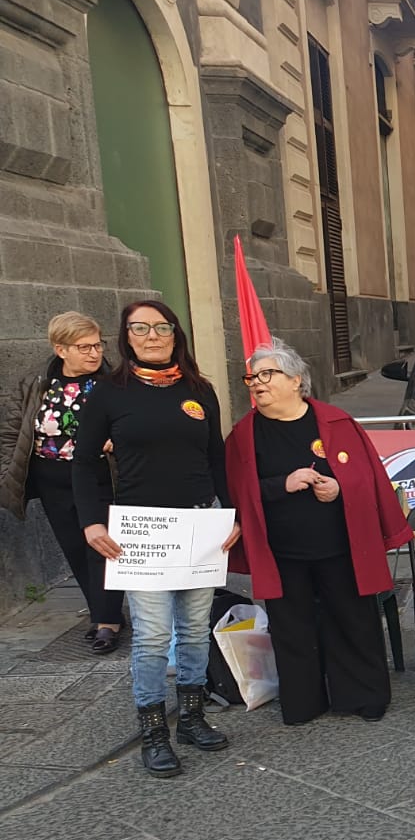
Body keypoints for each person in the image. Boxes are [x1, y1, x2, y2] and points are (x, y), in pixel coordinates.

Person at [73, 301, 238, 777]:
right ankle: (153, 730)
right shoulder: (108, 393)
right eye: (139, 328)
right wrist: (92, 523)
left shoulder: (199, 390)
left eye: (160, 327)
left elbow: (216, 457)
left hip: (199, 524)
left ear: (174, 334)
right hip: (142, 532)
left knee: (192, 629)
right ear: (126, 338)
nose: (151, 336)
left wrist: (231, 514)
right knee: (151, 636)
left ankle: (190, 717)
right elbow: (84, 463)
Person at [225, 339, 414, 726]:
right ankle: (304, 701)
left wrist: (340, 488)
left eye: (267, 374)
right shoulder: (244, 435)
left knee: (352, 620)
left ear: (296, 380)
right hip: (282, 550)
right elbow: (237, 492)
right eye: (252, 377)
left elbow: (367, 479)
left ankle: (363, 696)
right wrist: (283, 484)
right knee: (292, 628)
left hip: (339, 544)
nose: (257, 384)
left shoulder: (336, 422)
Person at [1, 312, 124, 653]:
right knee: (73, 546)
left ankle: (107, 621)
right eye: (83, 347)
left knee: (100, 547)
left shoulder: (113, 383)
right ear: (60, 349)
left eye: (97, 345)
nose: (93, 353)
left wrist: (119, 439)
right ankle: (103, 612)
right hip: (51, 478)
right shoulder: (36, 383)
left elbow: (132, 423)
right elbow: (12, 430)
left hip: (99, 477)